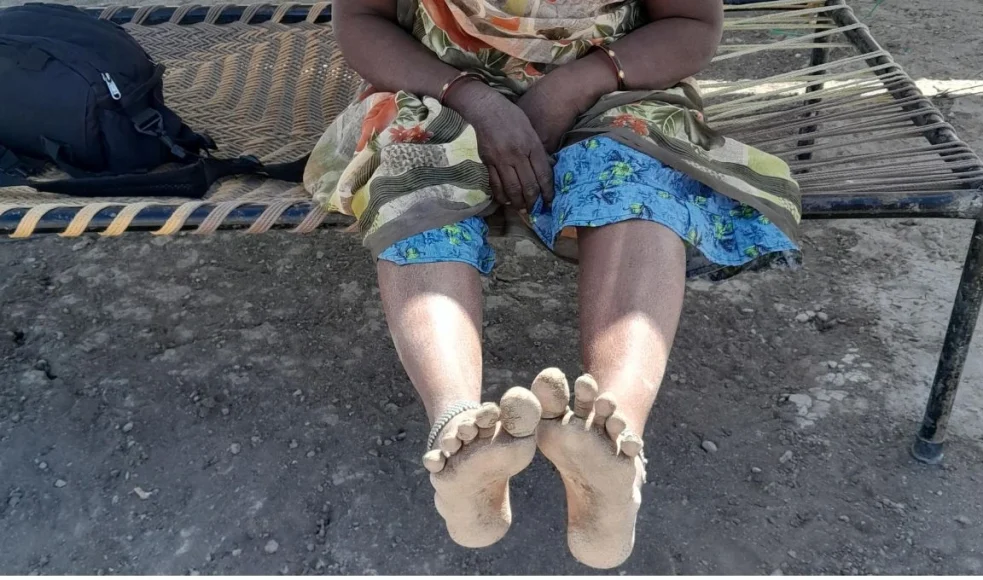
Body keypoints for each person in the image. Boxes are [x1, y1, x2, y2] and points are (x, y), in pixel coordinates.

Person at [305, 0, 800, 568]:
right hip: (433, 85)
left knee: (637, 173)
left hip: (612, 85)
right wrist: (473, 98)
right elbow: (362, 20)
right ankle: (458, 427)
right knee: (412, 171)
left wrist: (574, 86)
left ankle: (613, 443)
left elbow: (693, 26)